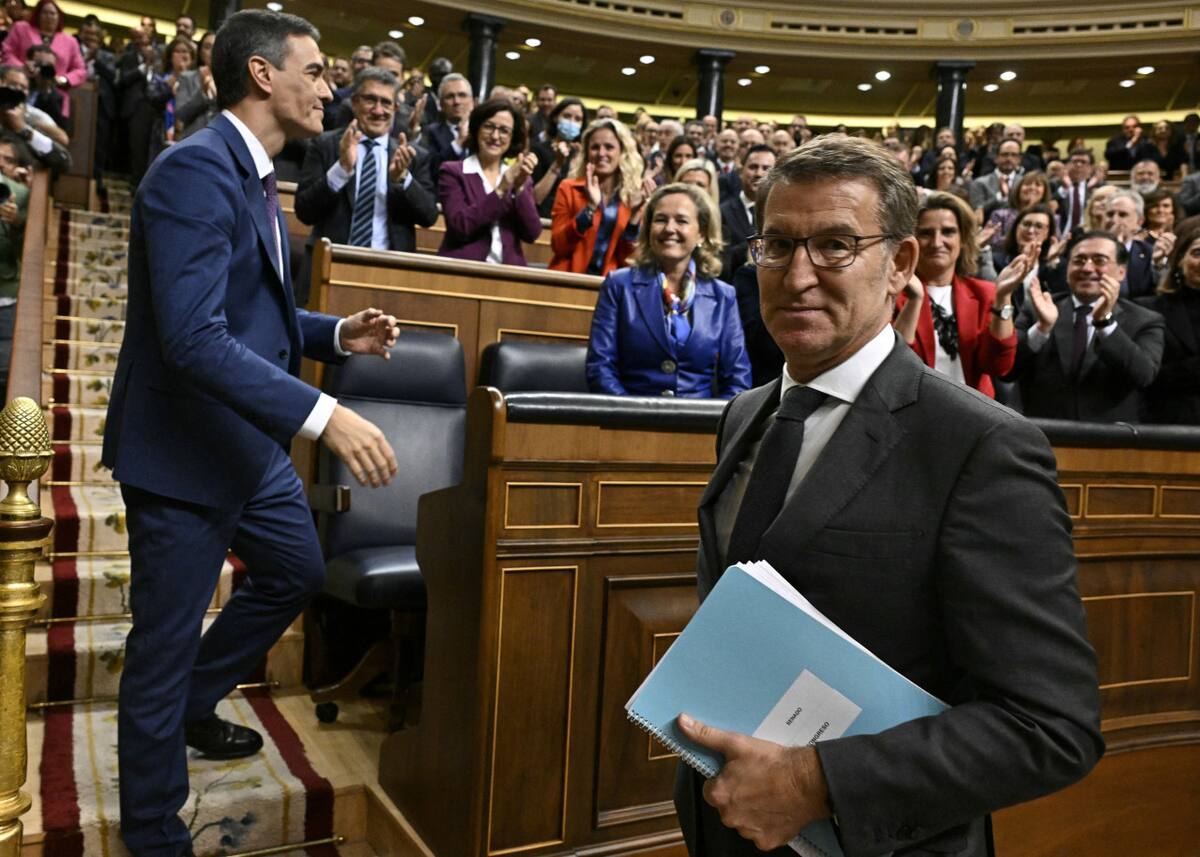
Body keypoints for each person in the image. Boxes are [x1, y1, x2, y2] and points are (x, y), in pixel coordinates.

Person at [673, 134, 1102, 855]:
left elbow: (1051, 724)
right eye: (777, 244)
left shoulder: (981, 445)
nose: (798, 274)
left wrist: (819, 781)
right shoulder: (746, 413)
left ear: (900, 263)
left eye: (835, 245)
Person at [100, 12, 403, 856]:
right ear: (264, 76)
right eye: (315, 71)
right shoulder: (194, 170)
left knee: (295, 569)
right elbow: (192, 336)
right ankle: (154, 829)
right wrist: (325, 412)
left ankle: (198, 699)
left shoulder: (252, 171)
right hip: (182, 452)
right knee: (160, 644)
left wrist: (336, 336)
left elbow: (251, 309)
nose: (329, 88)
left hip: (244, 444)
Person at [585, 182, 750, 397]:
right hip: (627, 420)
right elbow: (600, 368)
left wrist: (712, 425)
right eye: (661, 219)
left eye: (681, 220)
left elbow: (738, 380)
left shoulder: (723, 296)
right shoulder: (618, 285)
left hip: (700, 425)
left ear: (701, 233)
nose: (669, 228)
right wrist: (630, 417)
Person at [295, 65, 437, 302]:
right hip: (328, 270)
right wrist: (341, 169)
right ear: (354, 102)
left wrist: (402, 179)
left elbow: (429, 216)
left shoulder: (412, 156)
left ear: (396, 108)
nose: (378, 110)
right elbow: (304, 211)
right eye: (370, 100)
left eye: (386, 102)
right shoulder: (326, 145)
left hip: (390, 276)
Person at [1006, 229, 1165, 422]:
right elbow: (1007, 370)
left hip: (1110, 440)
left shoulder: (1145, 319)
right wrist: (1041, 329)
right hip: (1044, 434)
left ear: (1121, 271)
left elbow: (1143, 375)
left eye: (1099, 260)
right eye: (1079, 260)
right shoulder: (1038, 309)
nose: (1087, 268)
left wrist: (1104, 323)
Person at [892, 192, 1017, 397]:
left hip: (974, 418)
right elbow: (894, 370)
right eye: (926, 233)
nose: (937, 242)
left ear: (963, 240)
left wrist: (1003, 298)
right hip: (912, 416)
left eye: (948, 232)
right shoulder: (892, 294)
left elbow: (998, 365)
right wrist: (914, 302)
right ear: (911, 241)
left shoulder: (985, 293)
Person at [437, 97, 541, 265]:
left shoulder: (519, 177)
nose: (495, 136)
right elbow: (460, 226)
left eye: (504, 130)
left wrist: (519, 189)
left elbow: (532, 233)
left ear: (513, 137)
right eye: (489, 126)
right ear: (477, 128)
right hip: (461, 270)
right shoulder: (453, 172)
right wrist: (501, 189)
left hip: (509, 276)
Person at [549, 117, 648, 276]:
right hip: (567, 281)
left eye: (609, 147)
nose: (602, 153)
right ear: (587, 153)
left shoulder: (633, 198)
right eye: (595, 147)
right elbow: (559, 246)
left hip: (608, 287)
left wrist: (635, 216)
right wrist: (589, 208)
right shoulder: (568, 189)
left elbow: (628, 258)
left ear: (622, 152)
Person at [1138, 216, 1200, 423]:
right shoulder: (1149, 310)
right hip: (1167, 428)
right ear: (1180, 259)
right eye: (1197, 253)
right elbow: (1147, 375)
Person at [1, 0, 83, 117]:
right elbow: (7, 52)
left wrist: (62, 79)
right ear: (37, 14)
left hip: (54, 97)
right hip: (19, 90)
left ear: (59, 17)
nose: (48, 16)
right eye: (44, 12)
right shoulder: (21, 28)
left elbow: (80, 70)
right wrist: (22, 69)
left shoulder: (70, 41)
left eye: (53, 13)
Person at [0, 63, 69, 173]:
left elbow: (64, 162)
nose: (17, 90)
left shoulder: (34, 117)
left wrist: (22, 128)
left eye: (23, 87)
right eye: (12, 85)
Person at [720, 143, 773, 282]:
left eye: (766, 168)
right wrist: (754, 246)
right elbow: (720, 260)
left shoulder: (785, 213)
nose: (759, 173)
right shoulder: (722, 212)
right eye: (753, 167)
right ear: (740, 172)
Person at [0, 132, 28, 398]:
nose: (1, 165)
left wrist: (17, 223)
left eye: (7, 161)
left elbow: (26, 255)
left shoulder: (20, 195)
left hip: (6, 300)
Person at [981, 170, 1050, 268]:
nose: (1032, 187)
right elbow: (993, 242)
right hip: (1002, 263)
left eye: (1038, 185)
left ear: (1044, 192)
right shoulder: (1000, 214)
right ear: (1018, 189)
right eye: (1027, 184)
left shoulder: (1053, 218)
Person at [531, 95, 585, 217]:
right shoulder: (539, 149)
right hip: (542, 220)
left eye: (578, 119)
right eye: (567, 116)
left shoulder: (581, 155)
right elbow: (535, 198)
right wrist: (558, 164)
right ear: (556, 117)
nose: (572, 122)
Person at [418, 71, 471, 176]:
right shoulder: (430, 132)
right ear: (440, 104)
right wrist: (458, 143)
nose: (457, 101)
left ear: (472, 102)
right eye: (450, 96)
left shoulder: (482, 132)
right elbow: (432, 169)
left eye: (462, 95)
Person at [174, 30, 218, 139]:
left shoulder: (229, 79)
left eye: (216, 46)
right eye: (207, 47)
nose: (212, 51)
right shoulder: (187, 77)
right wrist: (203, 92)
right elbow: (181, 114)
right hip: (193, 138)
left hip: (218, 139)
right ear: (200, 52)